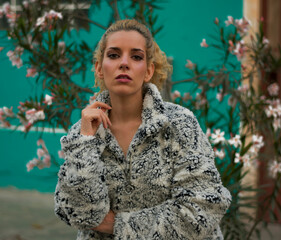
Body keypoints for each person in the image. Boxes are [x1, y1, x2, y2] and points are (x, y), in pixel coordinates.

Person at [54, 19, 232, 240]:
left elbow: (202, 210)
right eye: (114, 55)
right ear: (100, 68)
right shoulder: (84, 132)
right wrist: (84, 143)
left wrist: (117, 225)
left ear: (148, 71)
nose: (124, 63)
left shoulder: (178, 124)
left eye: (136, 57)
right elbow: (76, 213)